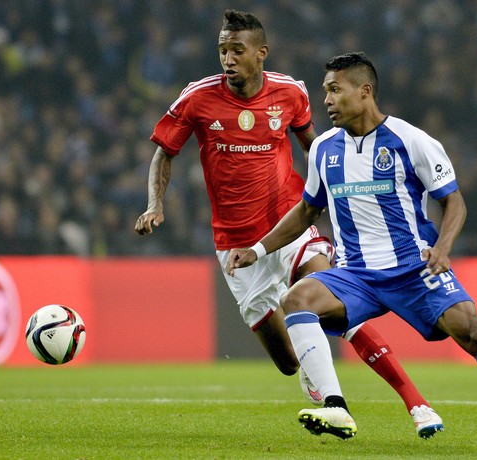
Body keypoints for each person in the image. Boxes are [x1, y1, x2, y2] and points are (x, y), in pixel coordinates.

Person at [226, 52, 477, 456]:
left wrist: (442, 249)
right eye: (325, 92)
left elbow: (454, 202)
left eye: (335, 90)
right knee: (296, 299)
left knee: (473, 331)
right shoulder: (322, 149)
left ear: (365, 91)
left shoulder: (412, 141)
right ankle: (335, 406)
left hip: (413, 269)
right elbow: (307, 210)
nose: (327, 101)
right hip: (355, 274)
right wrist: (256, 249)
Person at [134, 10, 443, 438]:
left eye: (237, 50)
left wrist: (350, 198)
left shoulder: (291, 93)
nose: (227, 58)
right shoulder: (197, 97)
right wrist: (155, 204)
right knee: (287, 362)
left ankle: (416, 405)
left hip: (290, 226)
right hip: (236, 245)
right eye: (222, 49)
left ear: (260, 53)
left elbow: (318, 152)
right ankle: (311, 370)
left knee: (341, 310)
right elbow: (164, 152)